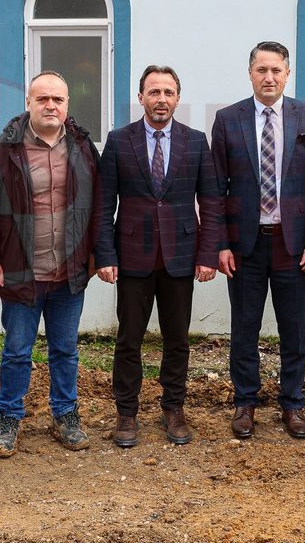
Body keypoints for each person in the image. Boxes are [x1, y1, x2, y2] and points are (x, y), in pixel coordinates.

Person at [0, 71, 100, 457]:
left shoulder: (82, 147)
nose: (50, 106)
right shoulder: (3, 149)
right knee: (16, 351)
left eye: (57, 99)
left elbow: (98, 205)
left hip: (68, 273)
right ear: (28, 103)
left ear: (67, 105)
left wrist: (97, 255)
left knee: (65, 350)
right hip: (20, 270)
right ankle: (8, 419)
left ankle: (65, 415)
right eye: (42, 99)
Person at [95, 65, 222, 447]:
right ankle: (126, 413)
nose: (161, 99)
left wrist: (208, 254)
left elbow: (211, 202)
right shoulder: (119, 141)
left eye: (168, 92)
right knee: (128, 340)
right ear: (141, 98)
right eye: (154, 92)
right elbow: (104, 204)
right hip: (132, 257)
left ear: (177, 98)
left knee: (177, 340)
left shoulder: (195, 141)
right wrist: (105, 254)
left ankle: (174, 408)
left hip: (180, 257)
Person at [210, 41, 305, 439]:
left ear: (287, 74)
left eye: (276, 70)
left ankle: (292, 404)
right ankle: (245, 403)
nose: (269, 77)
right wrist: (222, 244)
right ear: (250, 73)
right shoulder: (228, 120)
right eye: (261, 70)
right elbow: (216, 190)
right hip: (244, 245)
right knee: (244, 328)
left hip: (292, 245)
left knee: (294, 329)